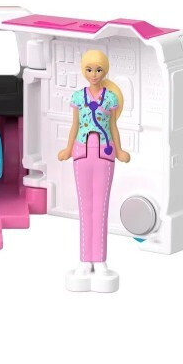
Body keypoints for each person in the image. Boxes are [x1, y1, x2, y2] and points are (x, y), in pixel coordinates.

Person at [58, 50, 130, 293]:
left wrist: (120, 150)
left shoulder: (110, 99)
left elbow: (113, 126)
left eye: (98, 69)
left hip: (104, 153)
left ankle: (99, 260)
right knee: (85, 206)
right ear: (83, 70)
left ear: (105, 71)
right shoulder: (78, 97)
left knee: (100, 207)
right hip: (81, 153)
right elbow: (75, 125)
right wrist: (68, 148)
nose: (94, 74)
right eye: (89, 69)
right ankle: (84, 260)